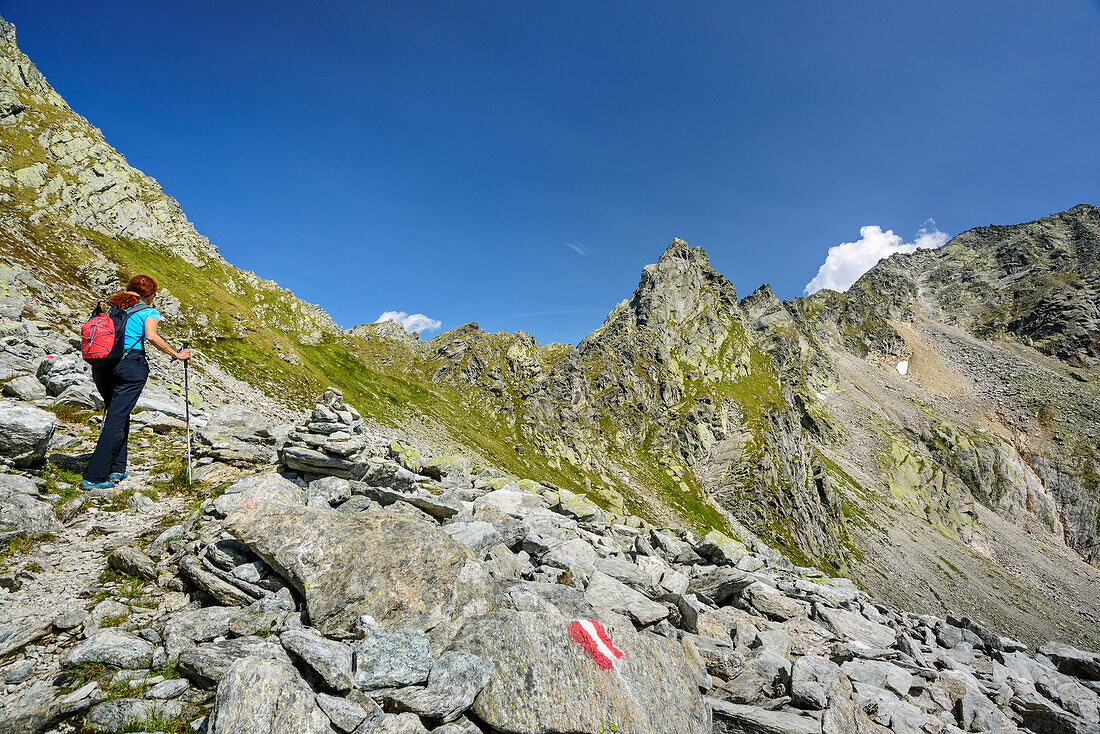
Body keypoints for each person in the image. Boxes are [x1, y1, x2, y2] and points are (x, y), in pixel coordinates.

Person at [81, 275, 191, 489]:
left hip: (102, 366)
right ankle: (95, 476)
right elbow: (151, 336)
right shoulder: (148, 311)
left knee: (117, 413)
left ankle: (117, 468)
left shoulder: (110, 308)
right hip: (130, 366)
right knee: (116, 416)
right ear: (149, 294)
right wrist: (176, 355)